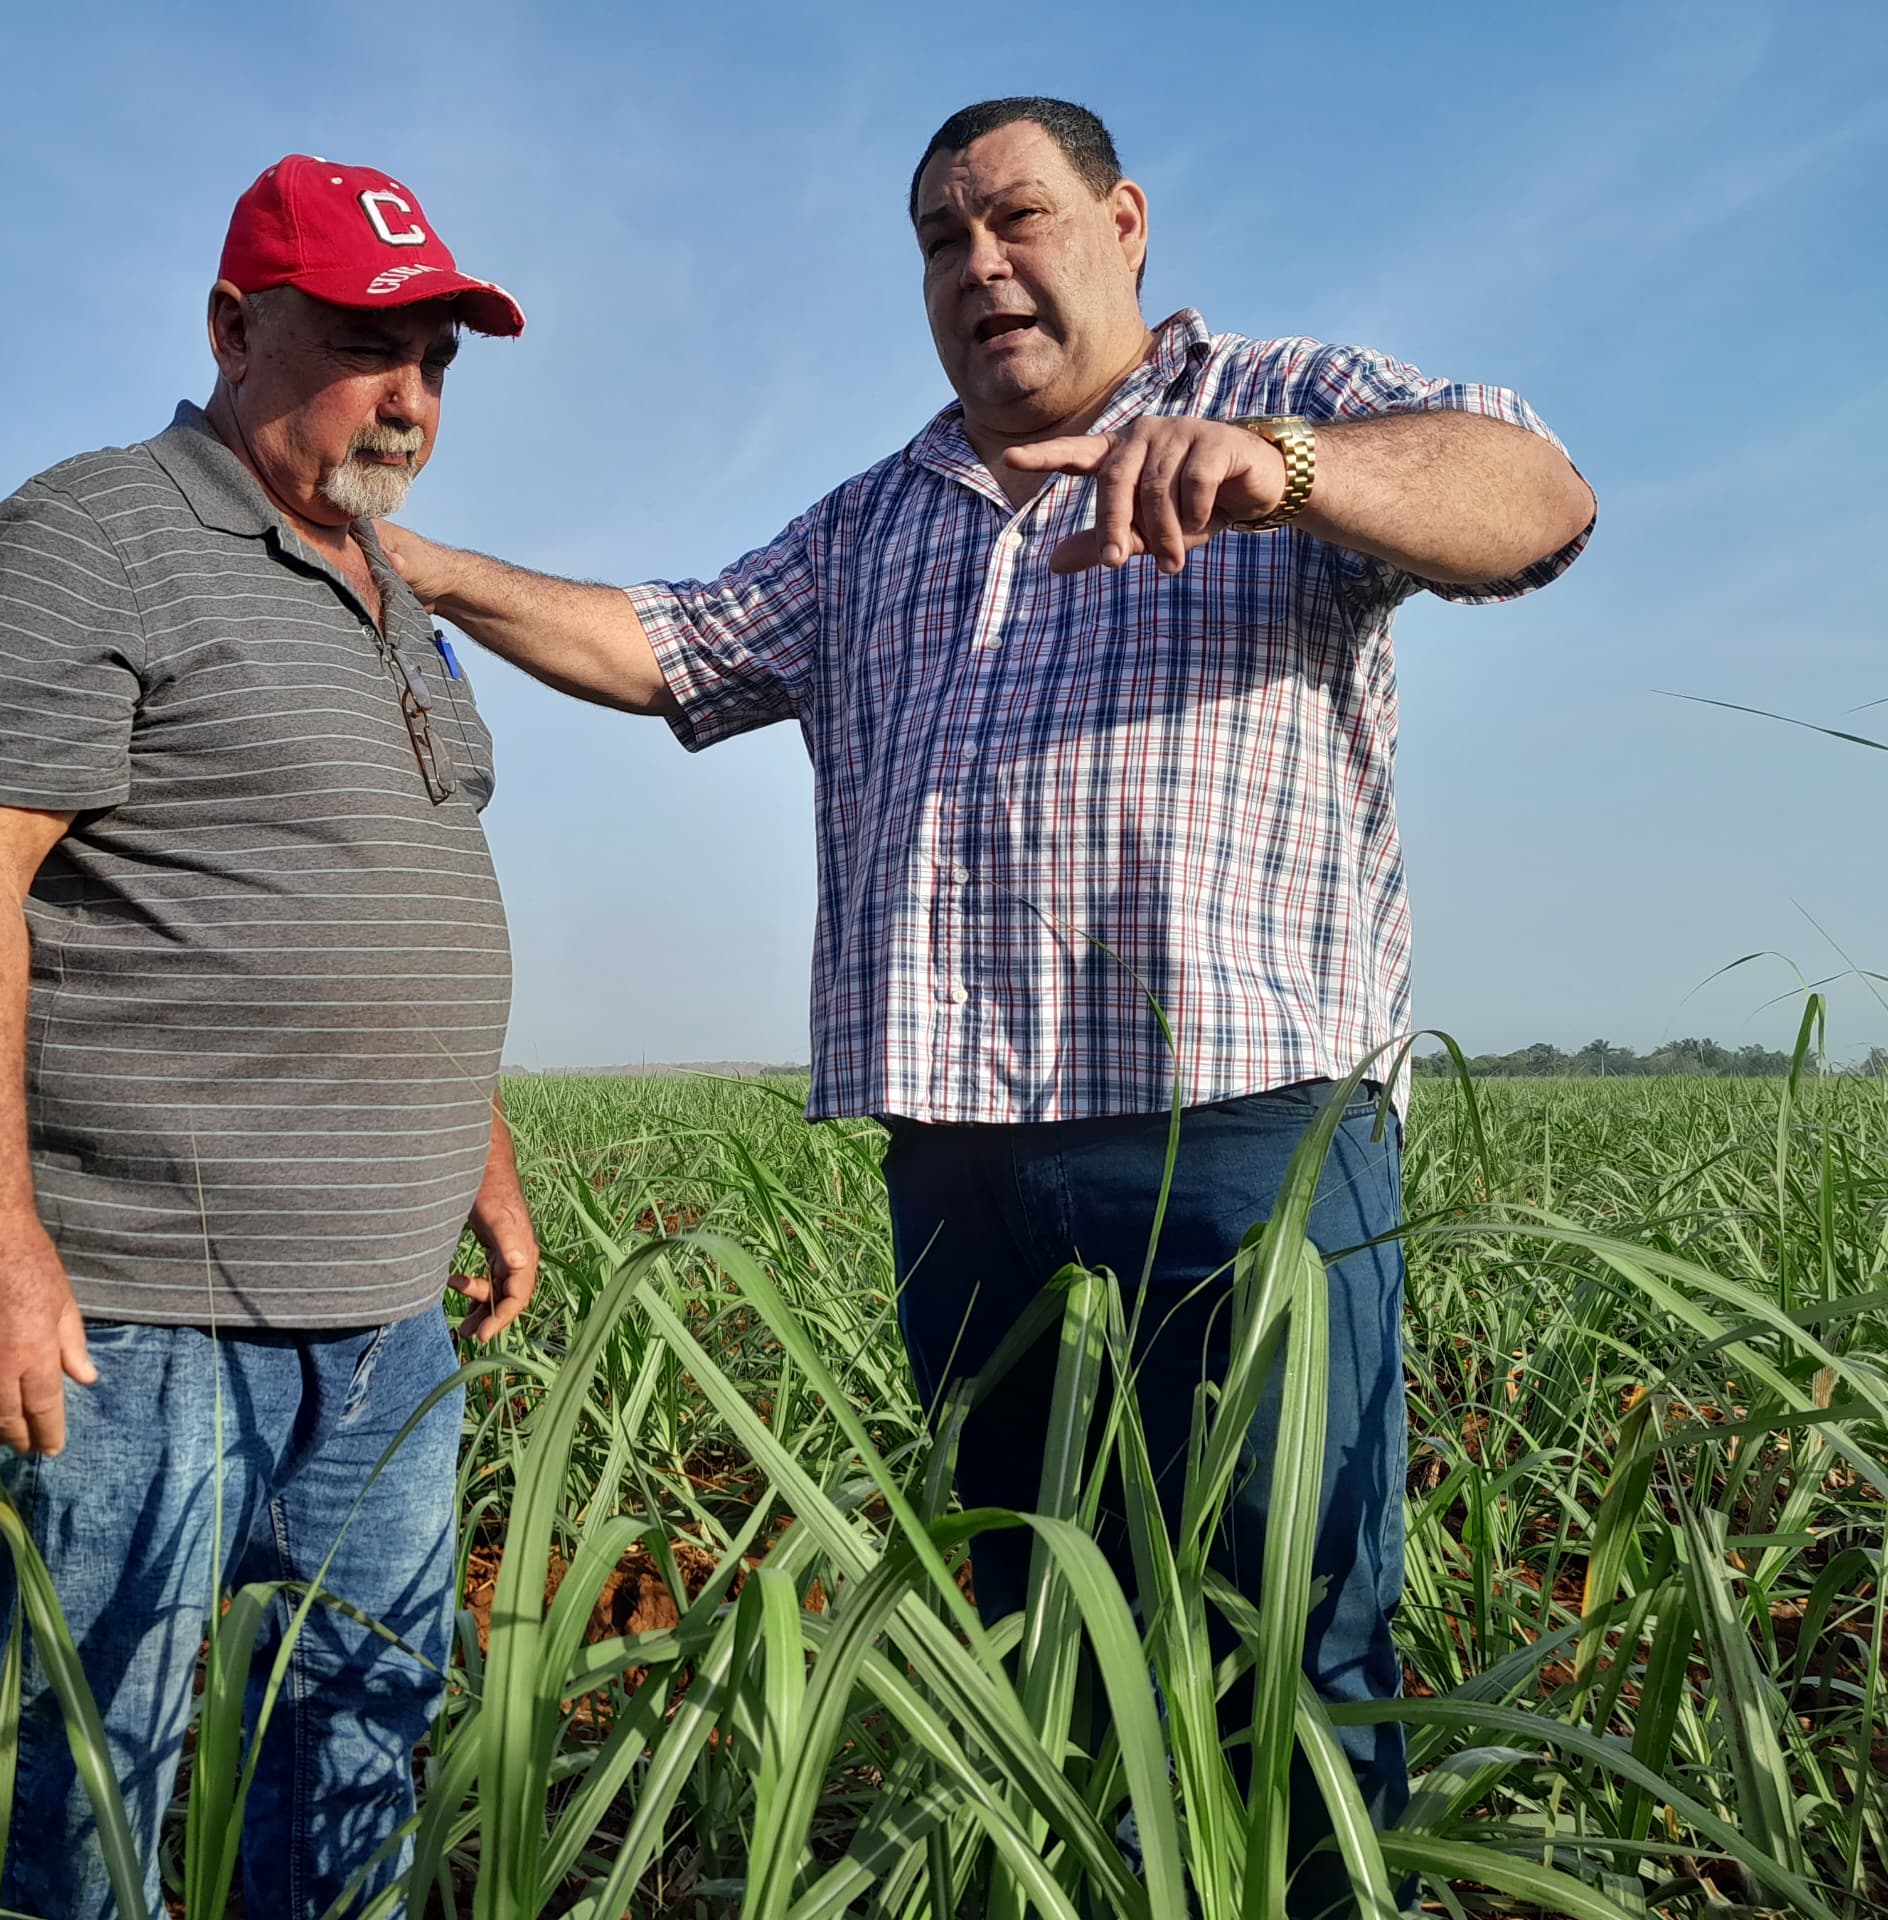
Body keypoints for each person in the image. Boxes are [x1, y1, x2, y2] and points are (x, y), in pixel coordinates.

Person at [379, 96, 1595, 1906]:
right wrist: (414, 568)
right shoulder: (886, 514)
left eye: (1016, 219)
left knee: (1284, 1643)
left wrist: (1289, 465)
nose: (981, 266)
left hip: (1245, 1136)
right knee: (1035, 1628)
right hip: (957, 1162)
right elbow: (667, 647)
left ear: (1124, 224)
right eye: (943, 240)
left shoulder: (1277, 393)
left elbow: (1538, 497)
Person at [0, 155, 538, 1920]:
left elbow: (393, 882)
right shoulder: (89, 534)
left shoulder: (393, 591)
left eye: (440, 357)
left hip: (388, 1311)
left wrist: (475, 1151)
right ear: (237, 329)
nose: (410, 394)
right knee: (92, 1772)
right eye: (365, 343)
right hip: (145, 1316)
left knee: (358, 1743)